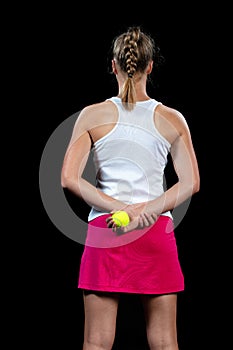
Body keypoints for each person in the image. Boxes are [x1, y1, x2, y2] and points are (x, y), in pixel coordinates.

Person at [61, 26, 200, 350]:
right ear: (150, 66)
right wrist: (146, 209)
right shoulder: (172, 117)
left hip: (105, 230)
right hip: (156, 230)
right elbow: (191, 182)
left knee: (96, 343)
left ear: (114, 65)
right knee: (165, 342)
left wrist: (120, 209)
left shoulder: (92, 115)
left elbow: (69, 178)